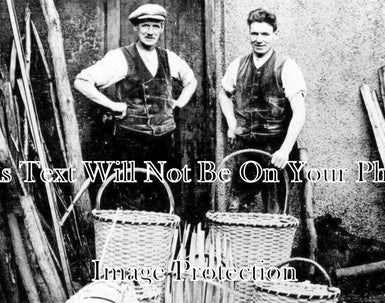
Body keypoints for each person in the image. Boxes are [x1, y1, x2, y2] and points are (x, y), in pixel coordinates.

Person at [74, 3, 197, 211]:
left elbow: (190, 80)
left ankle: (160, 243)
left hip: (164, 142)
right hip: (132, 142)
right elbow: (81, 81)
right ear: (136, 28)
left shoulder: (170, 58)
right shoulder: (120, 57)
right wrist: (112, 105)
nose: (150, 31)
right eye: (145, 26)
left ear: (162, 28)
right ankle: (134, 242)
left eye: (155, 26)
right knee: (132, 198)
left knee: (162, 197)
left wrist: (179, 103)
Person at [218, 8, 306, 213]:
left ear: (275, 35)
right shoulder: (238, 65)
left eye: (265, 34)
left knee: (274, 213)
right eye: (254, 33)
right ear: (249, 33)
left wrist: (285, 150)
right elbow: (223, 95)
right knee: (236, 209)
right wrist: (232, 123)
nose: (259, 39)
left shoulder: (287, 67)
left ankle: (273, 246)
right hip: (246, 150)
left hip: (275, 150)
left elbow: (299, 112)